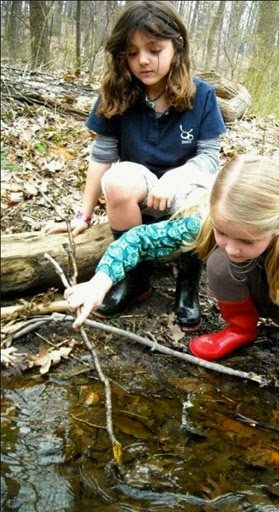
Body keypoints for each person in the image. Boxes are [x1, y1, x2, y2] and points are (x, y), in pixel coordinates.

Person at [64, 154, 279, 406]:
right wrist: (100, 281)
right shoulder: (210, 223)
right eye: (223, 232)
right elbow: (139, 240)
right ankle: (240, 330)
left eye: (247, 241)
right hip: (248, 294)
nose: (233, 246)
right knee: (220, 259)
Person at [44, 0, 226, 331]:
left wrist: (176, 177)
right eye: (131, 53)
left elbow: (211, 157)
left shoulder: (202, 95)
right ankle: (133, 277)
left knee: (200, 198)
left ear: (177, 47)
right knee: (116, 181)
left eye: (154, 49)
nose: (143, 60)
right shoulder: (117, 92)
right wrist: (82, 216)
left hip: (186, 188)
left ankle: (188, 283)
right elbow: (102, 155)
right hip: (137, 186)